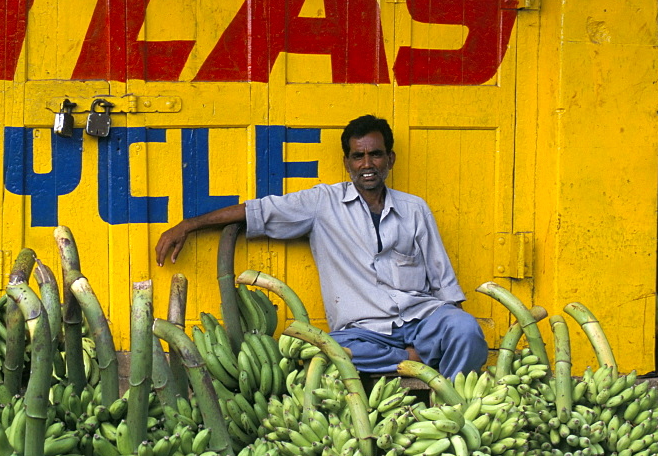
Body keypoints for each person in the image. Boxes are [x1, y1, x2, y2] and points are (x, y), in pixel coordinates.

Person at [155, 114, 487, 378]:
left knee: (466, 329)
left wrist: (455, 328)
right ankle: (411, 360)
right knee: (315, 348)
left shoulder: (415, 208)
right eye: (358, 156)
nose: (367, 164)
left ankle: (450, 404)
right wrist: (189, 225)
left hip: (420, 320)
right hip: (364, 333)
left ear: (390, 158)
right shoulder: (322, 203)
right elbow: (258, 210)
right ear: (347, 162)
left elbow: (443, 281)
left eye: (375, 154)